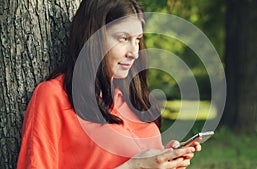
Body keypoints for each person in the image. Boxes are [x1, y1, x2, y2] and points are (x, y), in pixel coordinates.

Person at [17, 0, 201, 168]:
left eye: (137, 40)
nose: (134, 53)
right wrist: (134, 166)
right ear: (92, 37)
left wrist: (165, 159)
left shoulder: (133, 98)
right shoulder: (53, 97)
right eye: (123, 38)